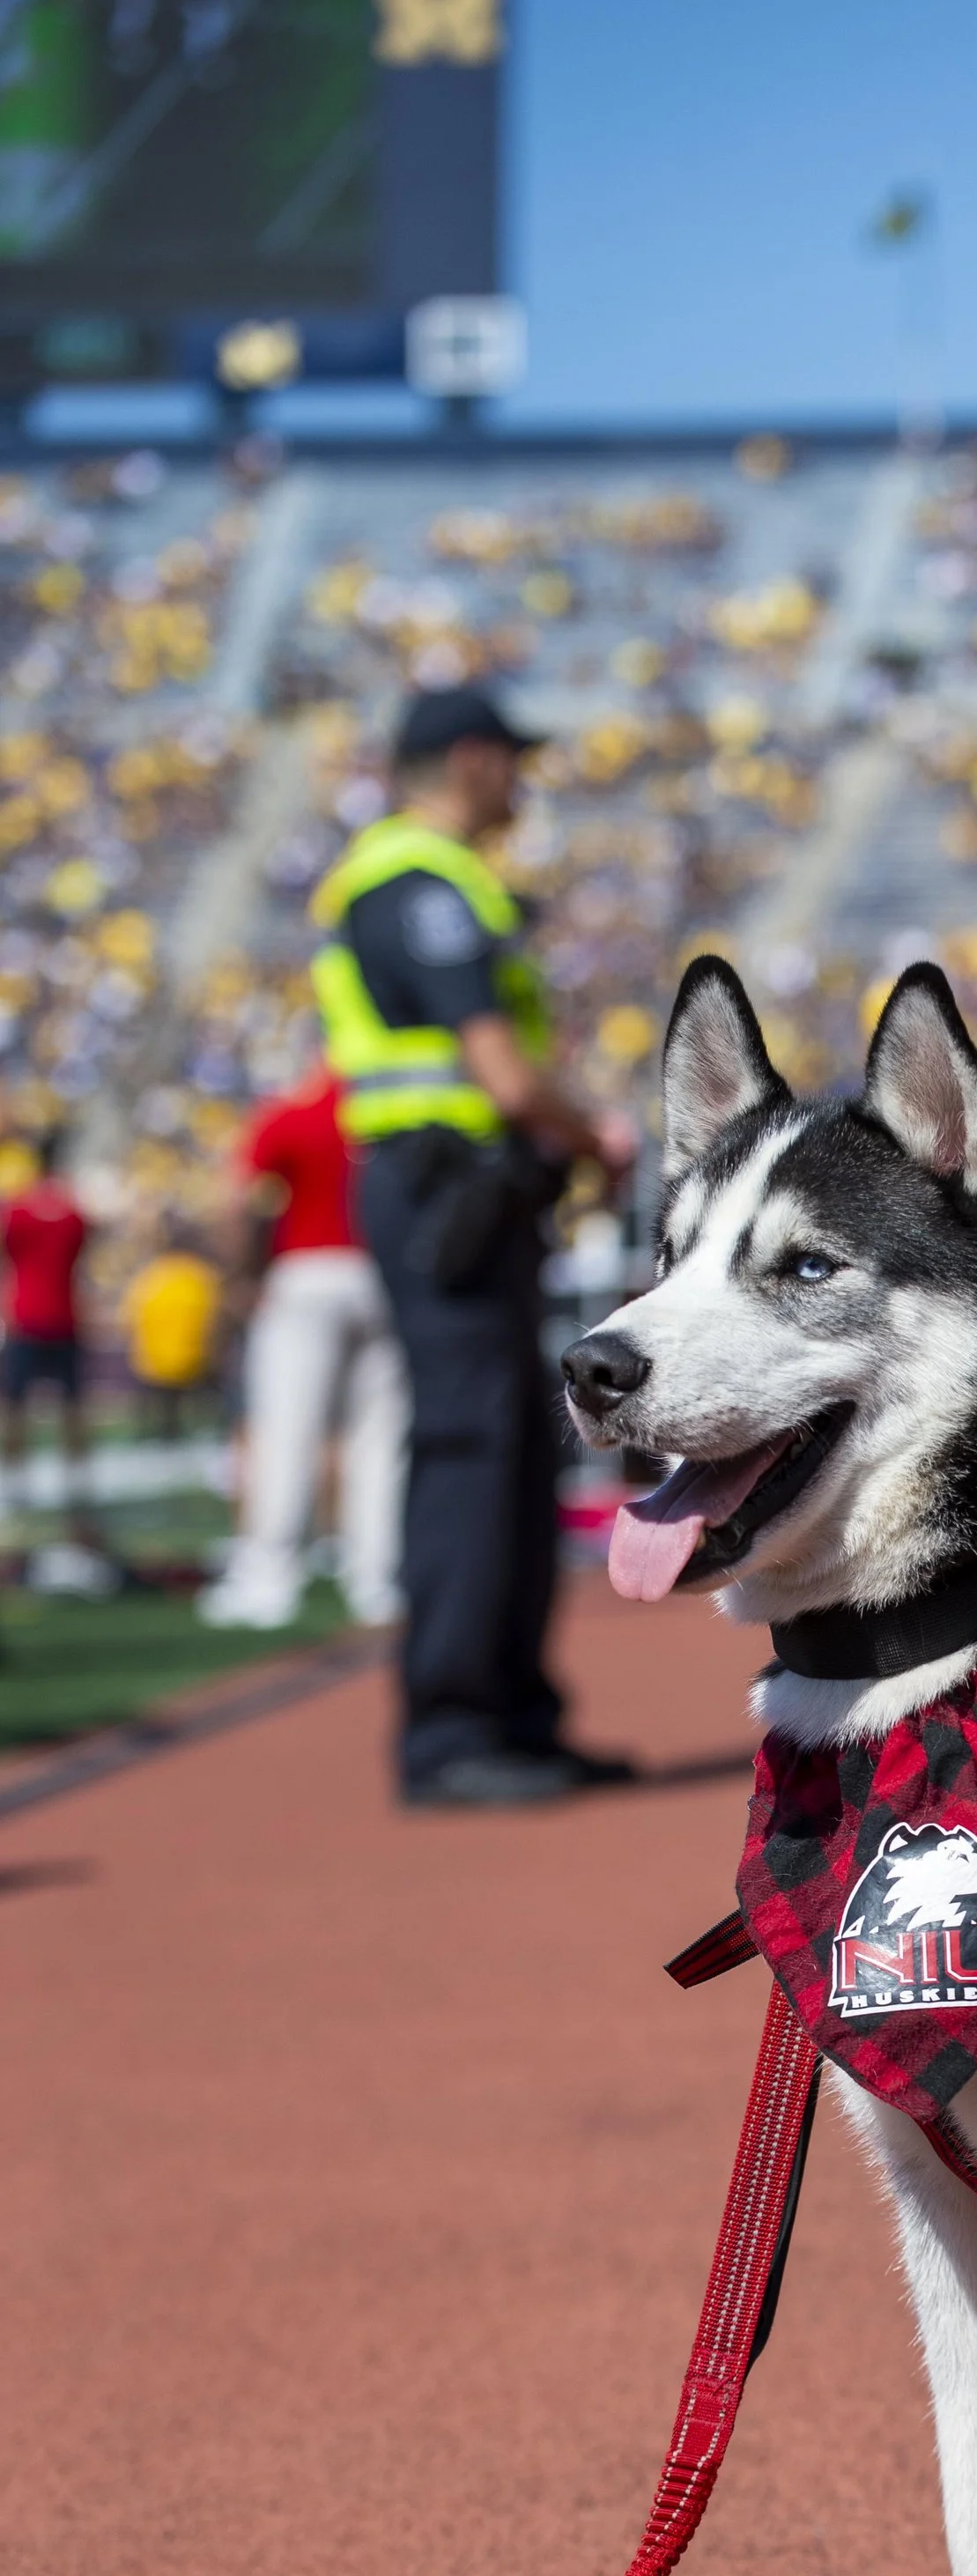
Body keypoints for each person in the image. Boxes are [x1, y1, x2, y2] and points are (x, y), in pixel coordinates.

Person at [312, 685, 633, 1807]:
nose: (522, 781)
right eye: (512, 760)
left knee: (511, 1451)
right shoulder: (418, 878)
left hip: (473, 1191)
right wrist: (597, 1132)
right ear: (472, 759)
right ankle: (451, 1730)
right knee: (469, 1444)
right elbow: (499, 1072)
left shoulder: (441, 880)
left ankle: (511, 1713)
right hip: (438, 1185)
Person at [199, 1062, 407, 1632]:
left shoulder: (290, 1112)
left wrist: (241, 1276)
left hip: (305, 1275)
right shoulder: (386, 1109)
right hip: (381, 1277)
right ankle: (377, 1578)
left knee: (287, 1432)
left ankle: (270, 1577)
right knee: (380, 1438)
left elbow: (237, 1201)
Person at [0, 1128, 91, 1518]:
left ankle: (16, 1483)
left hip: (24, 1318)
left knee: (14, 1405)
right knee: (72, 1407)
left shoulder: (17, 1210)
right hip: (65, 1318)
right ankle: (77, 1484)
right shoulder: (73, 1211)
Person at [122, 1221, 225, 1438]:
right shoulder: (201, 1276)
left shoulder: (150, 1276)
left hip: (153, 1365)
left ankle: (155, 1432)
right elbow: (214, 1322)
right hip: (192, 1363)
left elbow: (130, 1319)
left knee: (159, 1402)